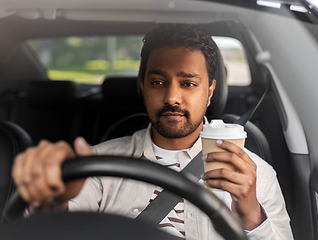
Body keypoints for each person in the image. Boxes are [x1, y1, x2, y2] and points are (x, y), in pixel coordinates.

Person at [12, 24, 293, 239]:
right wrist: (54, 199)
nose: (172, 97)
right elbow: (56, 230)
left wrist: (251, 212)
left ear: (210, 92)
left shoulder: (255, 176)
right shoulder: (97, 164)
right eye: (158, 82)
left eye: (188, 84)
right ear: (142, 87)